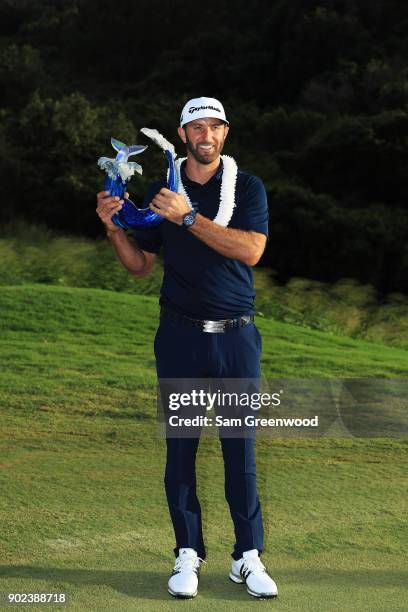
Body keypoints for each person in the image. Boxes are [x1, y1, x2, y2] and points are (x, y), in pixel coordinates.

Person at [96, 96, 278, 600]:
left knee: (239, 450)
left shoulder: (247, 186)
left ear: (225, 133)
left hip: (236, 338)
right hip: (178, 337)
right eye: (195, 127)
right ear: (181, 135)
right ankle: (188, 553)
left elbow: (252, 250)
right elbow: (138, 267)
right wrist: (114, 228)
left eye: (213, 127)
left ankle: (247, 556)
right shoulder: (160, 190)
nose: (205, 135)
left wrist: (188, 217)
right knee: (182, 451)